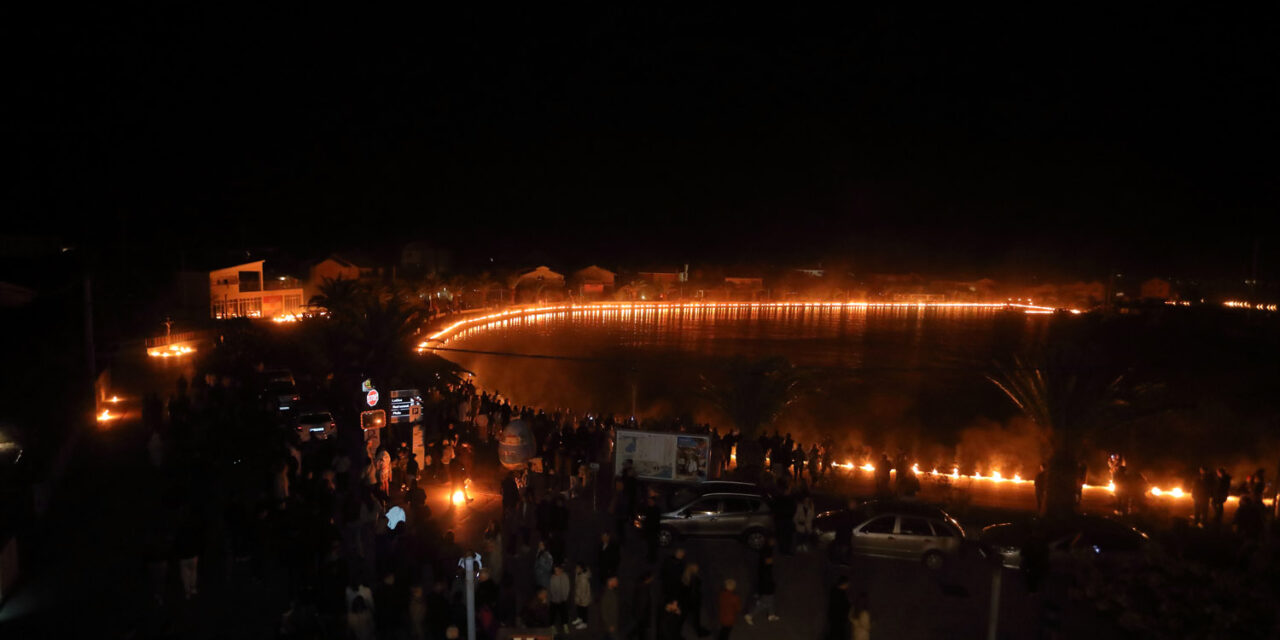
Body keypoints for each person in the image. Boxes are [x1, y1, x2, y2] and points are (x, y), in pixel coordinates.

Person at [743, 555, 777, 624]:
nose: (771, 560)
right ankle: (749, 615)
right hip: (767, 591)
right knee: (762, 604)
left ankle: (771, 614)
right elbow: (763, 583)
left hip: (769, 590)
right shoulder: (765, 572)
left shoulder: (767, 569)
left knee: (770, 602)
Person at [680, 562, 709, 637]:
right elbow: (695, 591)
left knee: (685, 615)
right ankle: (699, 631)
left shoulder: (686, 577)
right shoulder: (694, 579)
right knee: (695, 617)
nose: (698, 570)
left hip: (687, 601)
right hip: (694, 601)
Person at [630, 571, 654, 640]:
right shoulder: (643, 589)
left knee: (639, 628)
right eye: (651, 579)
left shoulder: (641, 586)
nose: (652, 580)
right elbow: (644, 603)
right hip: (642, 615)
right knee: (641, 630)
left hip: (640, 614)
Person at [825, 576, 850, 640]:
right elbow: (843, 607)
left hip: (835, 620)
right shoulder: (840, 594)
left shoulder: (834, 592)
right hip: (839, 621)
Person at [549, 564, 571, 634]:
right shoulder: (552, 578)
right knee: (553, 614)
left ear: (561, 570)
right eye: (555, 570)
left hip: (562, 599)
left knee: (564, 613)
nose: (557, 571)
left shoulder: (565, 576)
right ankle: (552, 626)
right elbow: (551, 589)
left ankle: (565, 625)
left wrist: (565, 597)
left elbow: (567, 587)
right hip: (554, 600)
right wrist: (554, 598)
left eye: (558, 570)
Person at [572, 562, 593, 631]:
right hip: (579, 595)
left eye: (577, 568)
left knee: (584, 609)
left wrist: (581, 598)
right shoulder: (578, 574)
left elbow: (584, 590)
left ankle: (584, 623)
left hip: (583, 597)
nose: (576, 569)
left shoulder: (583, 578)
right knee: (579, 608)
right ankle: (580, 619)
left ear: (581, 569)